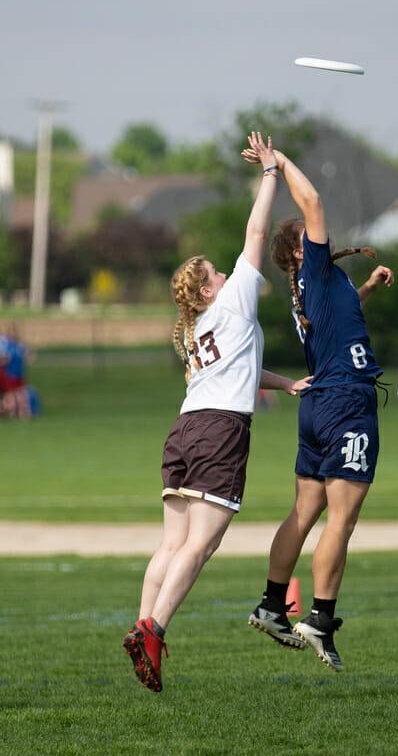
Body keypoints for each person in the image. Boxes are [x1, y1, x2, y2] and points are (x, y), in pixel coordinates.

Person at [123, 133, 311, 693]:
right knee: (201, 547)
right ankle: (154, 631)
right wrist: (271, 173)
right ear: (206, 291)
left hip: (185, 430)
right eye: (216, 273)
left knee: (172, 545)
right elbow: (257, 231)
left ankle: (141, 625)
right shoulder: (230, 302)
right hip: (219, 433)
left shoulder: (197, 326)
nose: (226, 275)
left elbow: (240, 373)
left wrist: (287, 383)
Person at [243, 143, 394, 671]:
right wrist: (279, 162)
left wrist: (368, 288)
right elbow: (314, 201)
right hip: (346, 402)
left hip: (319, 402)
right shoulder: (314, 268)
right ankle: (320, 617)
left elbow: (342, 322)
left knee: (306, 511)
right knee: (342, 518)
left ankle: (270, 604)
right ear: (302, 249)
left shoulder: (319, 286)